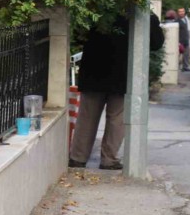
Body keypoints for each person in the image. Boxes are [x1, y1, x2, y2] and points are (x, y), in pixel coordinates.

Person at [69, 13, 165, 170]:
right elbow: (156, 43)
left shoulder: (98, 10)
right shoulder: (141, 15)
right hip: (123, 75)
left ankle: (78, 158)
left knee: (87, 117)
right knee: (117, 120)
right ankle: (109, 159)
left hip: (94, 72)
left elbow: (79, 35)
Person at [177, 7, 190, 71]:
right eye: (180, 11)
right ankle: (176, 67)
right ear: (178, 13)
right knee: (178, 55)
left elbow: (188, 29)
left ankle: (185, 67)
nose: (181, 13)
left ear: (184, 12)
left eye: (182, 11)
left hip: (186, 40)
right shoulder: (177, 20)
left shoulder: (186, 19)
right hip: (180, 41)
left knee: (186, 55)